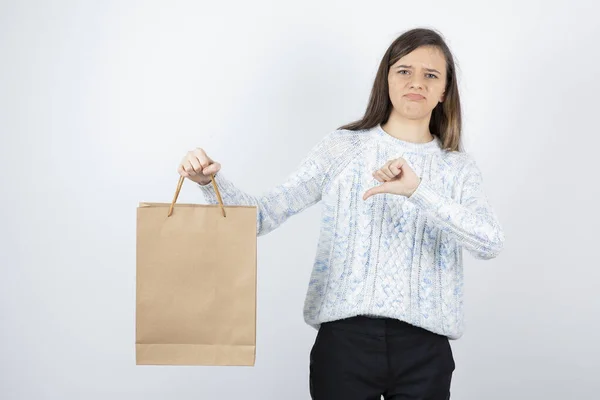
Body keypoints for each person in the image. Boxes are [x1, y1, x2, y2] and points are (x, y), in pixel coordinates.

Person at [178, 27, 505, 400]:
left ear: (445, 90)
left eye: (431, 74)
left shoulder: (457, 168)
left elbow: (490, 242)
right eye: (404, 70)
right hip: (345, 343)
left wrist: (418, 191)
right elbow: (262, 216)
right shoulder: (343, 148)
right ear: (386, 79)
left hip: (425, 349)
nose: (417, 82)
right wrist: (209, 184)